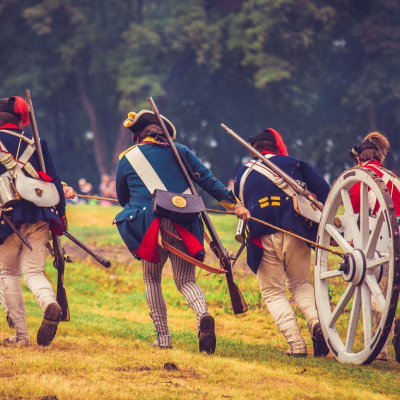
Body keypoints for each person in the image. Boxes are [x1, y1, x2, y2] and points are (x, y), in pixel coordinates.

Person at [114, 110, 249, 353]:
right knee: (186, 280)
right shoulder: (181, 151)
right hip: (183, 222)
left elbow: (124, 199)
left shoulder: (127, 158)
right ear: (163, 135)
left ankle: (163, 338)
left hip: (149, 226)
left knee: (151, 279)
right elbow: (207, 180)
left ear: (138, 137)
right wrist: (234, 204)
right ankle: (203, 316)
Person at [234, 128, 330, 357]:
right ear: (275, 147)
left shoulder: (243, 173)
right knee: (300, 284)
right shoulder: (295, 163)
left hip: (261, 234)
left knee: (273, 293)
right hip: (297, 230)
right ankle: (316, 323)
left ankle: (297, 346)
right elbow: (325, 191)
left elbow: (240, 202)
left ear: (254, 150)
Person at [0, 96, 67, 346]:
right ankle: (50, 304)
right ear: (19, 119)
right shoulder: (36, 143)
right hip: (40, 214)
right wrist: (61, 213)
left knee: (7, 272)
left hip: (6, 217)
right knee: (34, 272)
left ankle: (21, 336)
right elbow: (54, 180)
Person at [349, 132, 400, 362]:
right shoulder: (394, 178)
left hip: (378, 245)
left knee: (374, 293)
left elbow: (355, 217)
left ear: (359, 160)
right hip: (395, 242)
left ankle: (382, 346)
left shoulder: (361, 177)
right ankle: (381, 351)